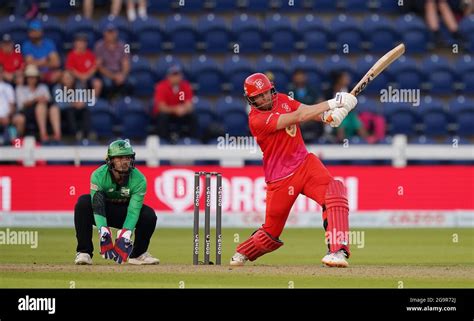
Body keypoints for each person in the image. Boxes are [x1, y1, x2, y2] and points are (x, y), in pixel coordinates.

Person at [230, 73, 357, 267]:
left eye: (266, 93)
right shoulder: (256, 120)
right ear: (251, 100)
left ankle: (337, 251)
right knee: (271, 233)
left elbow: (306, 110)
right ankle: (243, 252)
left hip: (305, 164)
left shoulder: (281, 98)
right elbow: (298, 116)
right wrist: (335, 101)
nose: (265, 98)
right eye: (259, 96)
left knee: (335, 192)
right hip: (280, 178)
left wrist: (328, 116)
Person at [74, 139, 159, 265]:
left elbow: (133, 210)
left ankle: (138, 254)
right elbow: (97, 206)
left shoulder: (139, 179)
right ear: (110, 160)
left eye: (128, 158)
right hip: (103, 211)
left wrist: (126, 233)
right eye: (119, 158)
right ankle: (84, 252)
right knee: (83, 203)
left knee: (149, 215)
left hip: (125, 213)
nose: (125, 162)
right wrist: (103, 230)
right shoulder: (98, 175)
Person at [15, 64, 61, 142]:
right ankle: (43, 134)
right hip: (26, 111)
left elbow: (48, 99)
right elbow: (22, 104)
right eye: (30, 77)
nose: (32, 79)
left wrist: (42, 100)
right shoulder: (20, 88)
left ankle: (57, 134)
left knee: (54, 108)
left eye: (34, 77)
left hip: (44, 110)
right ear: (26, 78)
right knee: (40, 107)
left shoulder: (43, 87)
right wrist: (36, 99)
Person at [153, 64, 198, 142]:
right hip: (167, 113)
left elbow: (189, 105)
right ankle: (163, 141)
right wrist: (175, 110)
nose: (176, 77)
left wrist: (184, 109)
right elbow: (161, 107)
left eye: (178, 74)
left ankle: (194, 140)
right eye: (174, 75)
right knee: (162, 117)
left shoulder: (185, 86)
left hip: (180, 113)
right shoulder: (161, 86)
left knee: (193, 116)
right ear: (168, 76)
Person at [94, 22, 132, 98]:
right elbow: (99, 66)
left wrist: (123, 75)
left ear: (117, 33)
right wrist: (113, 76)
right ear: (104, 33)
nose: (111, 35)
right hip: (106, 73)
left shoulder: (125, 45)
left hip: (120, 72)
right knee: (107, 83)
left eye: (113, 32)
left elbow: (126, 62)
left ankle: (126, 101)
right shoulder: (98, 46)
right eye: (109, 32)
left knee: (132, 82)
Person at [22, 19, 61, 84]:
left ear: (41, 32)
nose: (33, 33)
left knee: (59, 74)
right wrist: (45, 60)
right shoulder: (26, 45)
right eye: (31, 31)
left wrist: (39, 62)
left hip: (49, 72)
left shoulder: (49, 43)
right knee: (31, 71)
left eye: (35, 31)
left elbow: (56, 63)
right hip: (34, 73)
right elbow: (30, 63)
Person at [65, 33, 102, 98]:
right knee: (70, 79)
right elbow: (70, 69)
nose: (81, 44)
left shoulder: (90, 54)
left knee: (97, 83)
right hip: (76, 77)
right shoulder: (71, 55)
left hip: (89, 76)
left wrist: (87, 76)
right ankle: (72, 101)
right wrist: (81, 77)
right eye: (79, 42)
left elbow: (94, 67)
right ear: (75, 43)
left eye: (83, 42)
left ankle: (94, 101)